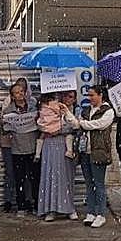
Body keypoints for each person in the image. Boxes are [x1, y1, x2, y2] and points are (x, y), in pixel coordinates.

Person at [63, 85, 116, 228]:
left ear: (100, 95)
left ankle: (101, 214)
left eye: (92, 95)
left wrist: (82, 123)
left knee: (99, 184)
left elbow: (98, 125)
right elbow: (76, 124)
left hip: (98, 152)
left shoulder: (108, 111)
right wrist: (67, 113)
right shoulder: (86, 110)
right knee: (89, 184)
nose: (90, 98)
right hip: (85, 152)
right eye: (89, 95)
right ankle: (91, 212)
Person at [38, 92, 77, 221]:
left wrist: (60, 129)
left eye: (70, 97)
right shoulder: (48, 107)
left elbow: (76, 126)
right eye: (65, 96)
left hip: (65, 144)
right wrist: (47, 128)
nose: (67, 99)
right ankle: (51, 209)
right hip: (49, 143)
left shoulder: (75, 110)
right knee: (50, 175)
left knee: (66, 176)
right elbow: (40, 123)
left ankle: (69, 208)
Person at [3, 81, 39, 214]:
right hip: (17, 149)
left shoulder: (33, 107)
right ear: (12, 96)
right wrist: (4, 124)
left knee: (35, 178)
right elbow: (4, 131)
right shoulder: (8, 111)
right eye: (16, 93)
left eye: (21, 91)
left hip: (32, 147)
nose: (20, 94)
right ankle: (21, 205)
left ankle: (36, 204)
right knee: (20, 179)